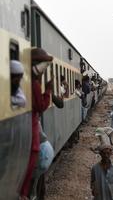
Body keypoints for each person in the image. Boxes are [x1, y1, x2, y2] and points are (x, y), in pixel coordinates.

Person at [20, 48, 53, 200]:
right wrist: (48, 91)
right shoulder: (33, 84)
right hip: (31, 131)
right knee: (32, 164)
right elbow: (41, 106)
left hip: (27, 129)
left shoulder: (25, 81)